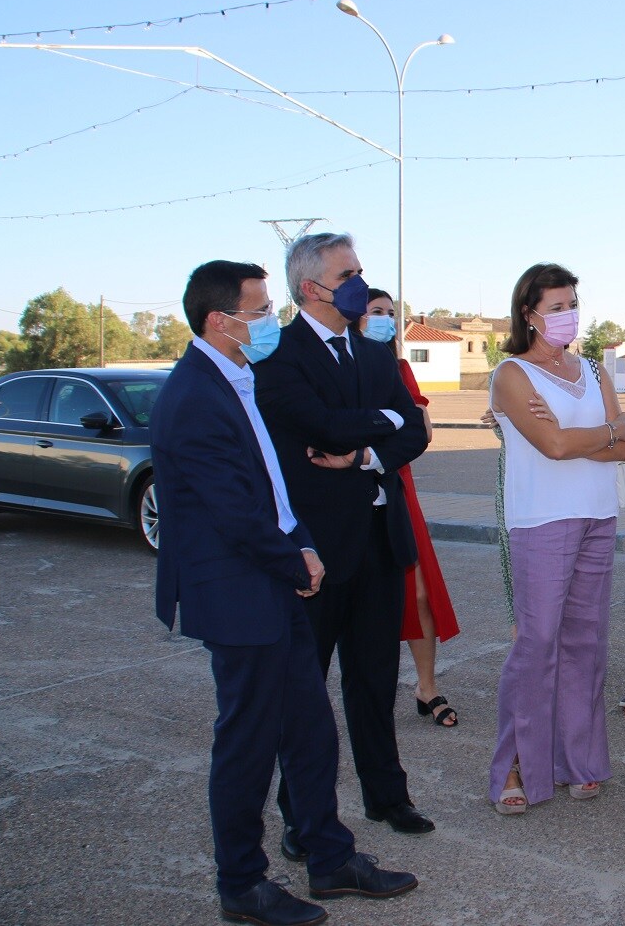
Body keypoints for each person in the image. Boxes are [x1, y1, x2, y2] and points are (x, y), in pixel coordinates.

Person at [152, 260, 417, 926]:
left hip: (275, 579)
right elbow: (232, 511)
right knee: (246, 740)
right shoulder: (194, 396)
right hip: (240, 592)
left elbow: (271, 485)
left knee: (308, 728)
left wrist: (300, 540)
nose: (268, 319)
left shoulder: (234, 377)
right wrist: (296, 558)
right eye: (259, 308)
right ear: (221, 320)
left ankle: (328, 856)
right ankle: (242, 882)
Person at [255, 234, 435, 857]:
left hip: (380, 543)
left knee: (375, 679)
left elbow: (414, 427)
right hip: (319, 554)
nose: (362, 281)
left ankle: (388, 797)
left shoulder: (374, 350)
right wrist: (382, 421)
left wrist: (366, 448)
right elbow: (319, 425)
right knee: (304, 690)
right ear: (312, 288)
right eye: (349, 273)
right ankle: (302, 818)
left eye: (361, 269)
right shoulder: (278, 357)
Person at [487, 262, 625, 814]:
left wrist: (590, 435)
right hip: (540, 521)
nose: (567, 315)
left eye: (572, 303)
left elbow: (623, 450)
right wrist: (612, 428)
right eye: (555, 307)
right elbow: (552, 446)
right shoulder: (512, 374)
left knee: (585, 644)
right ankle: (518, 766)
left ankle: (581, 760)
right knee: (537, 644)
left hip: (597, 517)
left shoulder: (594, 370)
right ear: (528, 313)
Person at [364, 290, 462, 727]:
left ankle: (427, 687)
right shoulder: (334, 369)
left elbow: (420, 431)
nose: (385, 320)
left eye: (390, 313)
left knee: (418, 593)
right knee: (360, 601)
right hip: (344, 493)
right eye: (376, 313)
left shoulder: (398, 368)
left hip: (396, 488)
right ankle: (364, 691)